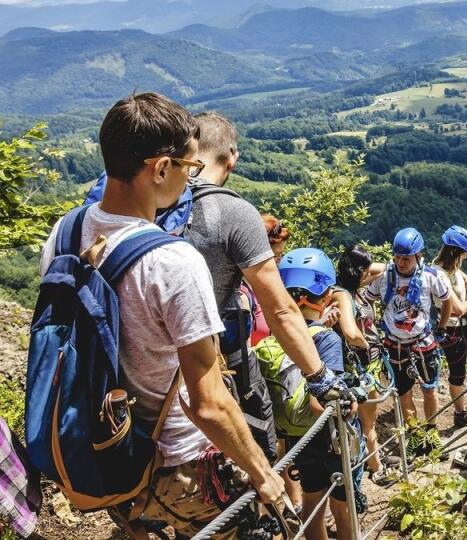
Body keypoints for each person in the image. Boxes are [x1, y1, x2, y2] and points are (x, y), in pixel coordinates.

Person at [38, 93, 284, 536]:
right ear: (160, 168)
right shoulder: (173, 261)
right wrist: (264, 473)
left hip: (102, 450)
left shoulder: (65, 231)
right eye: (189, 169)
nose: (190, 182)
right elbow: (208, 404)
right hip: (177, 463)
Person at [188, 111, 335, 461]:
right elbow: (280, 308)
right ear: (232, 156)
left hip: (154, 377)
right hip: (222, 364)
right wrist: (319, 376)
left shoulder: (158, 203)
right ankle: (267, 509)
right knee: (258, 444)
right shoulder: (234, 213)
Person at [276, 247, 366, 540]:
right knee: (343, 509)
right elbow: (321, 402)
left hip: (297, 437)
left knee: (312, 505)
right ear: (325, 294)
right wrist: (350, 401)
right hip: (331, 440)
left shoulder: (277, 335)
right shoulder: (326, 338)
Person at [364, 228, 453, 451]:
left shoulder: (431, 276)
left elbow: (447, 301)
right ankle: (414, 434)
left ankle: (431, 431)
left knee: (430, 389)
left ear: (417, 255)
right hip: (395, 343)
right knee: (404, 393)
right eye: (398, 257)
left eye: (406, 258)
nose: (401, 262)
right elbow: (367, 299)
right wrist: (372, 325)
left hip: (422, 341)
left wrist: (441, 326)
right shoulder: (385, 277)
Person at [331, 244, 390, 484]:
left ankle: (372, 460)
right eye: (365, 271)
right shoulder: (344, 295)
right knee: (367, 421)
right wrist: (367, 344)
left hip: (365, 366)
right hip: (358, 367)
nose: (370, 275)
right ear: (358, 272)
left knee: (367, 420)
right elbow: (349, 331)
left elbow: (382, 268)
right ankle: (376, 468)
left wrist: (362, 262)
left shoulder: (349, 289)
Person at [431, 226, 467, 428]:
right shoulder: (440, 276)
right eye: (463, 253)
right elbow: (459, 308)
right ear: (455, 253)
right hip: (453, 329)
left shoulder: (438, 267)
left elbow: (453, 271)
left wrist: (465, 277)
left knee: (457, 371)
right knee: (457, 374)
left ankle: (459, 411)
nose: (466, 256)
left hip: (453, 328)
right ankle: (460, 413)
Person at [245, 214, 290, 347]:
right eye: (276, 255)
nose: (279, 260)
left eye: (281, 255)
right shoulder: (242, 294)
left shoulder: (262, 288)